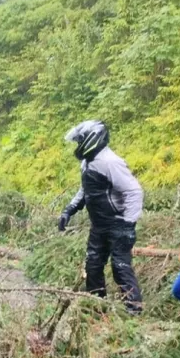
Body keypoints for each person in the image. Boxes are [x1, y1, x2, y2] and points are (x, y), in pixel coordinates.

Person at [59, 120, 144, 313]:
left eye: (80, 140)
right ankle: (96, 308)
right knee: (93, 266)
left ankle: (134, 313)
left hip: (117, 223)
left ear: (92, 138)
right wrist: (69, 209)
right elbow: (86, 189)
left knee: (120, 267)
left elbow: (134, 192)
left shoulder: (110, 162)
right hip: (98, 225)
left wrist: (128, 224)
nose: (78, 144)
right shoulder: (87, 162)